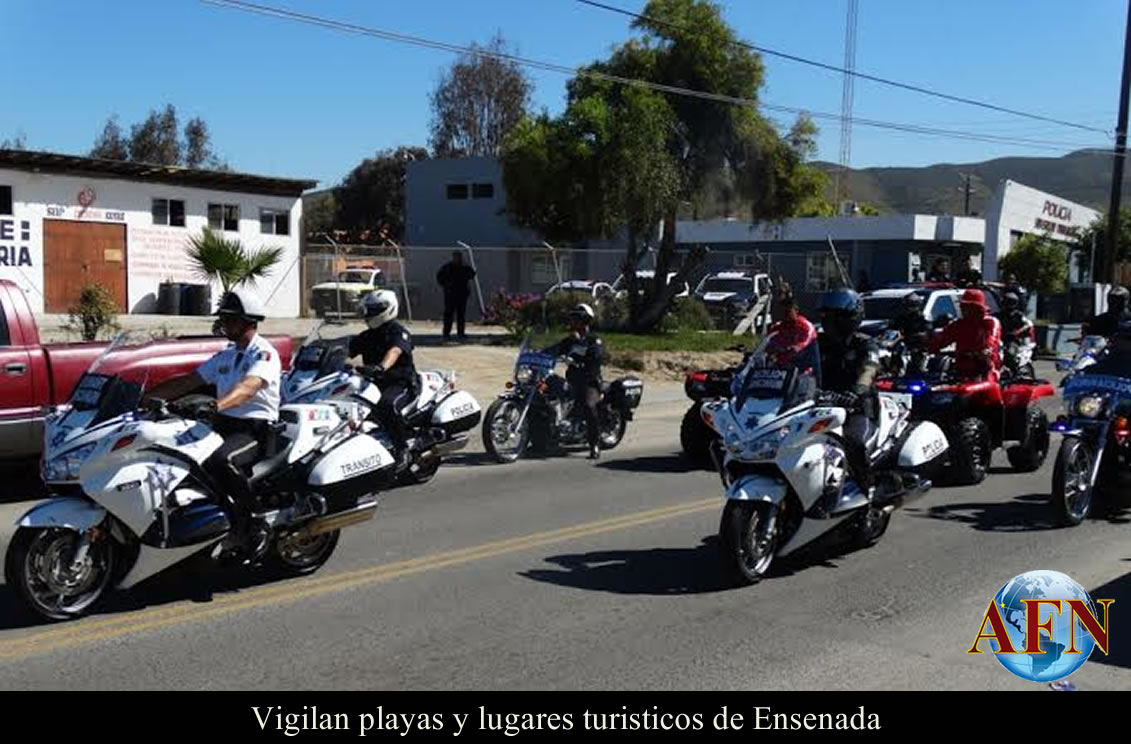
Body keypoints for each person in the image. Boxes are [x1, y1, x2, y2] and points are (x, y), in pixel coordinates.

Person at [148, 289, 282, 557]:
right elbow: (189, 381)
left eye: (231, 319)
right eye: (224, 319)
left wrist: (216, 406)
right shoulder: (227, 355)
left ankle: (255, 522)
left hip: (254, 430)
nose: (225, 324)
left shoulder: (264, 355)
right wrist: (147, 397)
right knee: (172, 449)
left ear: (248, 321)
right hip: (223, 425)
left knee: (221, 460)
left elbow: (248, 388)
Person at [816, 288, 881, 508]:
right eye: (825, 316)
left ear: (851, 318)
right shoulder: (817, 343)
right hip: (818, 404)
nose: (829, 322)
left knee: (855, 443)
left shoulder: (864, 344)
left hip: (855, 406)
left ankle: (868, 492)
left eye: (836, 316)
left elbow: (869, 368)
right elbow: (796, 362)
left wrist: (858, 391)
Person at [349, 290, 418, 471]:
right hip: (372, 385)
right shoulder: (367, 335)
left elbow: (395, 351)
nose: (369, 314)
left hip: (400, 384)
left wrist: (381, 367)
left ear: (388, 309)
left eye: (374, 310)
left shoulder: (399, 332)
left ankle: (403, 449)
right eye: (368, 309)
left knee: (387, 406)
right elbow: (344, 348)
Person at [544, 304, 606, 460]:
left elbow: (596, 357)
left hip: (589, 382)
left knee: (588, 406)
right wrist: (538, 354)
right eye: (573, 318)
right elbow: (555, 349)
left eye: (577, 318)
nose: (574, 322)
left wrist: (581, 361)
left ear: (585, 321)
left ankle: (594, 445)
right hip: (572, 381)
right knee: (546, 393)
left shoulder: (594, 340)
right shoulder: (570, 340)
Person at [929, 288, 1002, 381]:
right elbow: (942, 339)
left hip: (984, 369)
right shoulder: (959, 324)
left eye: (968, 306)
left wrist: (986, 351)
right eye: (963, 306)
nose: (963, 310)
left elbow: (992, 340)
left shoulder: (990, 322)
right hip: (961, 369)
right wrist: (927, 344)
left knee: (987, 385)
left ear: (977, 308)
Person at [763, 280, 817, 369]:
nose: (785, 315)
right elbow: (767, 346)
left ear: (796, 311)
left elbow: (800, 346)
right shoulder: (778, 327)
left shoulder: (805, 327)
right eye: (782, 311)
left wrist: (787, 349)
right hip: (781, 370)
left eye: (788, 312)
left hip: (804, 371)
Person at [436, 251, 477, 342]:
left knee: (461, 315)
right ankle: (446, 333)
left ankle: (460, 333)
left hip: (461, 295)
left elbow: (472, 274)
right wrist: (446, 286)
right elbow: (439, 277)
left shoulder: (465, 267)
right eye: (455, 257)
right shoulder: (447, 267)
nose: (457, 259)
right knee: (448, 314)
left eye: (458, 257)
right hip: (450, 295)